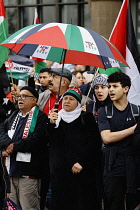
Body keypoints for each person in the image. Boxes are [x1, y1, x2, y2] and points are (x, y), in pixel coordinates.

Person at [48, 86, 101, 210]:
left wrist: (82, 162)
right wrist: (50, 124)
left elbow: (94, 144)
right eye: (65, 98)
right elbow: (49, 140)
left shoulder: (86, 118)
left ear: (78, 102)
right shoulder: (56, 117)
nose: (66, 101)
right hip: (60, 173)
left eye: (71, 99)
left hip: (81, 172)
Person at [0, 86, 49, 210]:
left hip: (28, 173)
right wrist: (7, 144)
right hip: (11, 170)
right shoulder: (14, 115)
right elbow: (1, 130)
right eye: (19, 96)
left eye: (24, 96)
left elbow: (36, 140)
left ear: (34, 100)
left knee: (28, 206)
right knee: (12, 206)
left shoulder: (41, 117)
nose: (20, 99)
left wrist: (14, 146)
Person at [98, 72, 140, 210]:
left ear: (126, 89)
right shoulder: (104, 111)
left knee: (133, 204)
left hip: (133, 165)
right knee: (113, 204)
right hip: (112, 166)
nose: (110, 89)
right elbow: (107, 138)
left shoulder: (136, 111)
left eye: (115, 86)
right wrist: (134, 129)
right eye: (109, 86)